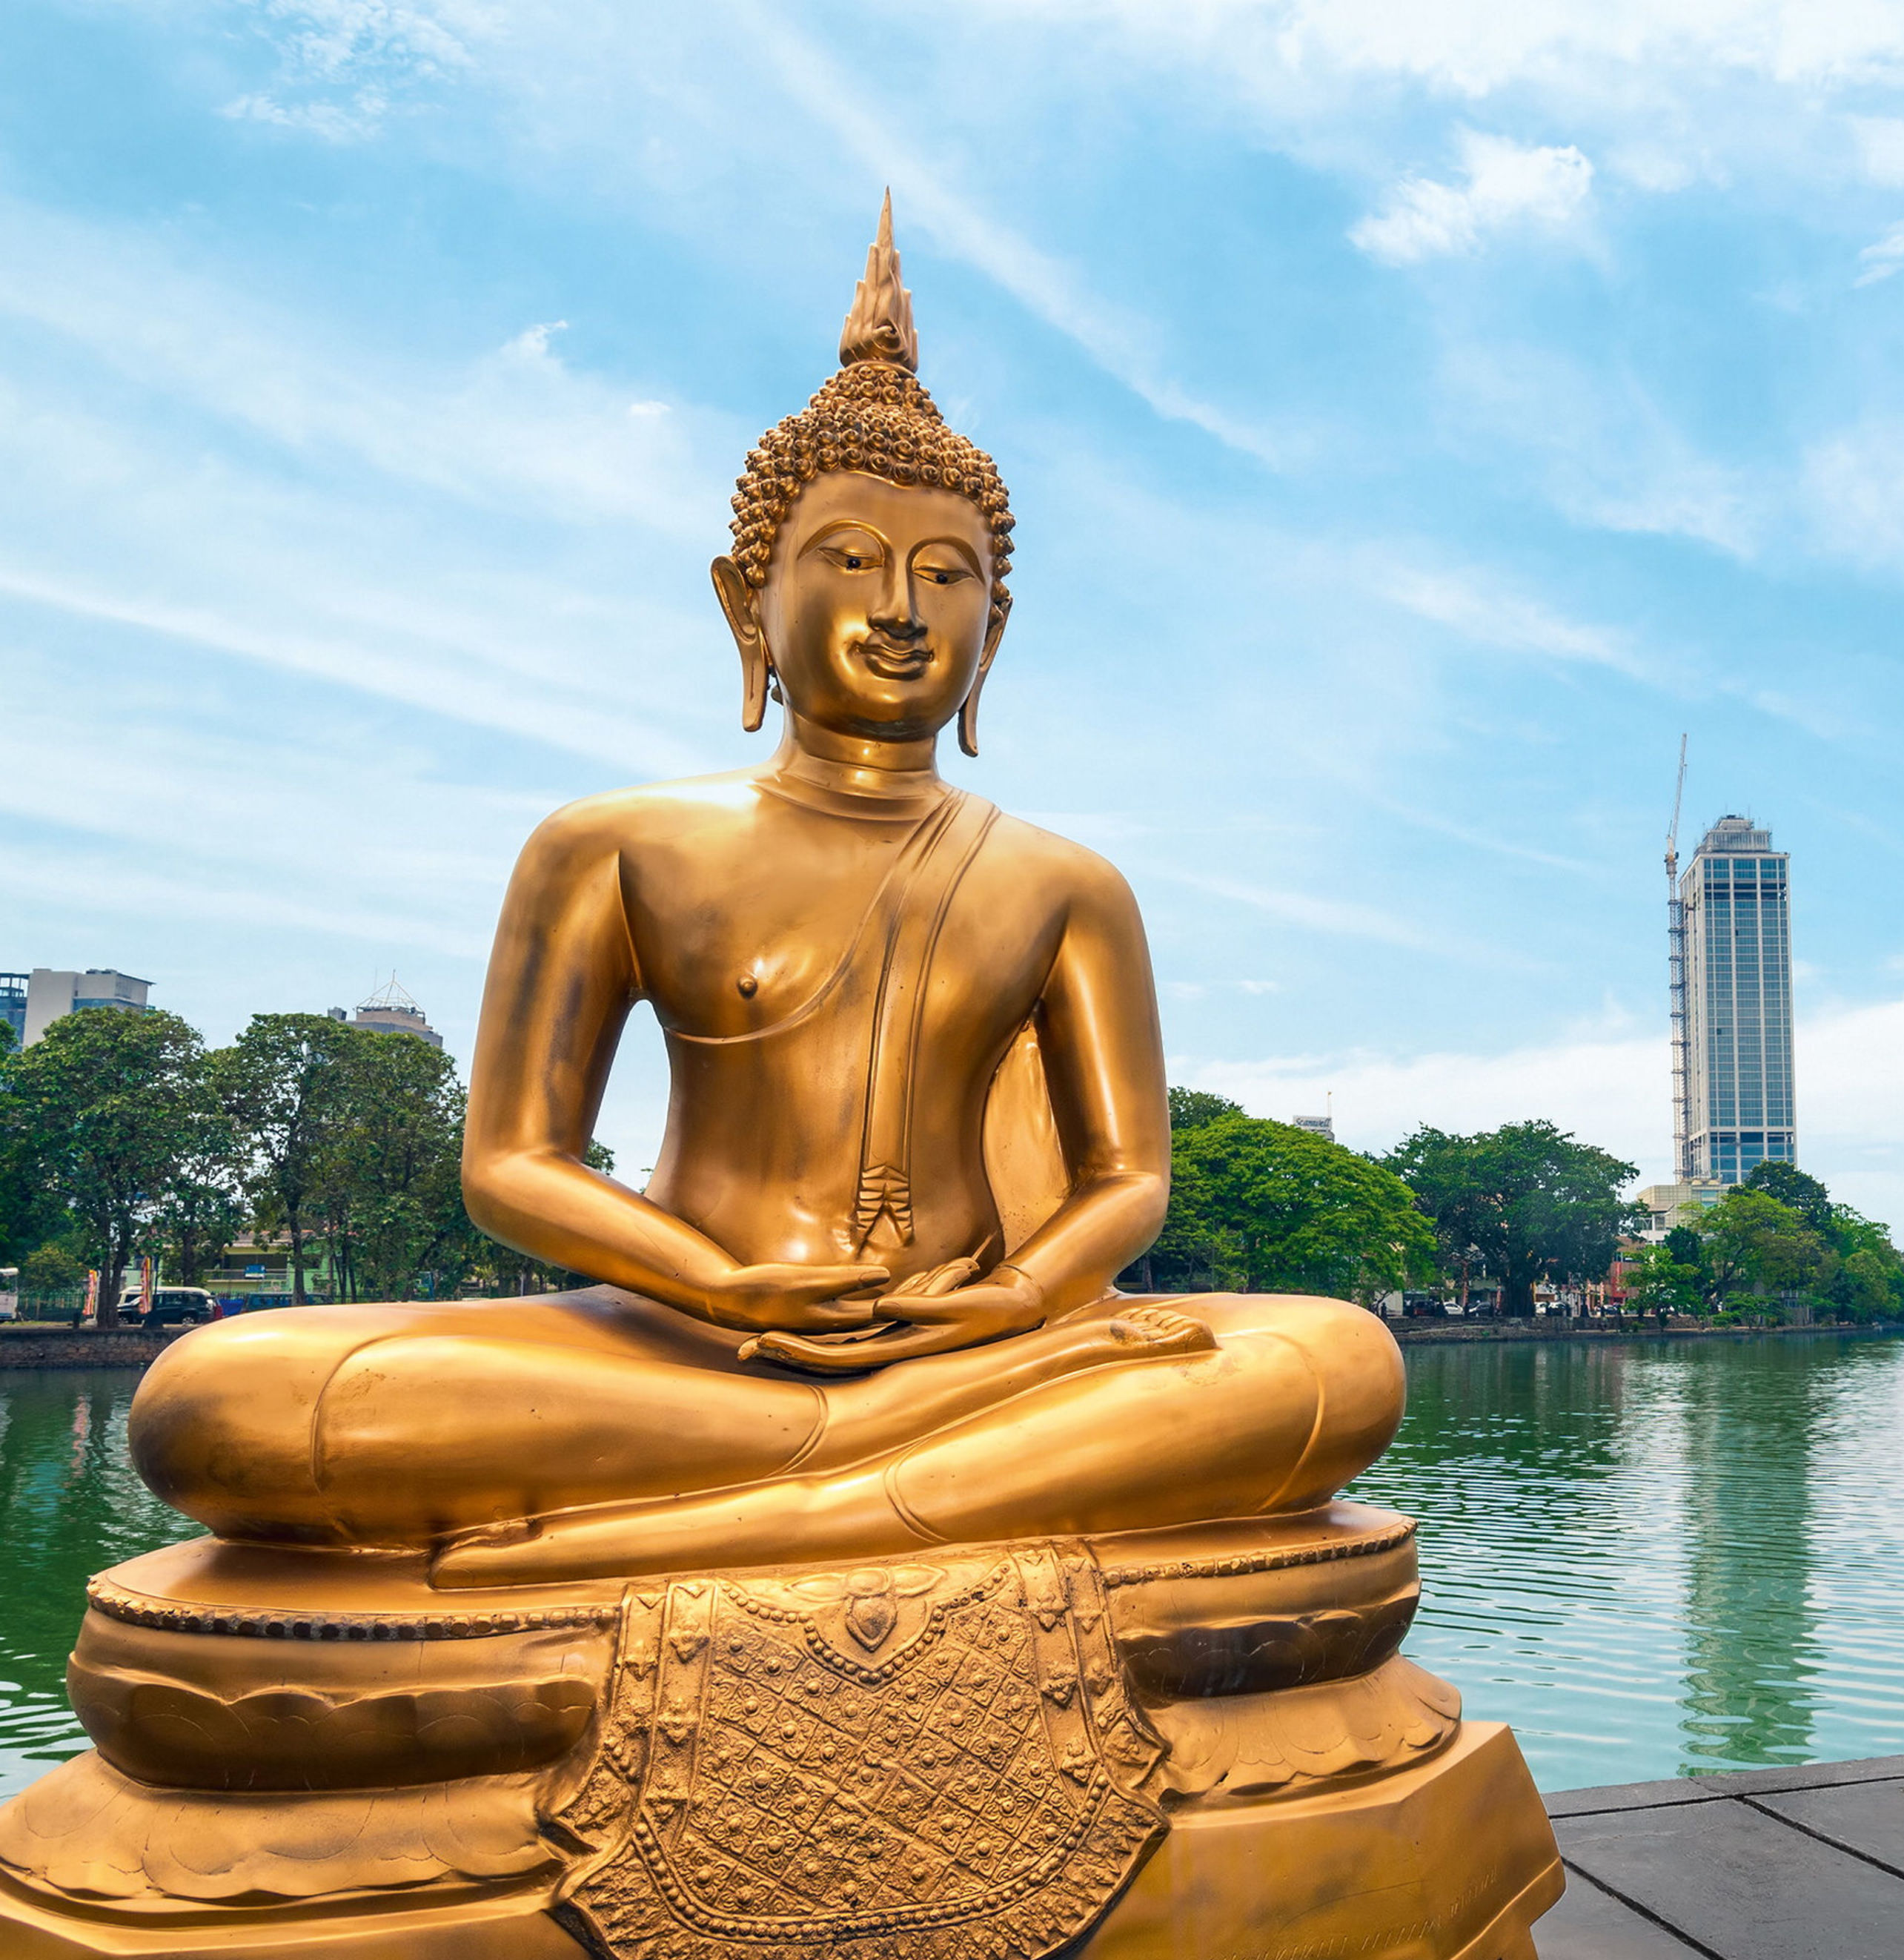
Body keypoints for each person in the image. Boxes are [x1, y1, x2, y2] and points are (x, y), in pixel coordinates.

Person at [130, 202, 1399, 1582]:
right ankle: (922, 1483)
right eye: (850, 560)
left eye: (946, 573)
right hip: (687, 1345)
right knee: (218, 1402)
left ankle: (786, 1511)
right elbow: (511, 1165)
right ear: (750, 604)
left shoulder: (1067, 884)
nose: (903, 605)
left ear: (999, 627)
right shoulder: (612, 843)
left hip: (982, 1343)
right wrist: (718, 1284)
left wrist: (1014, 1300)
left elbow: (1126, 1182)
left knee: (1333, 1360)